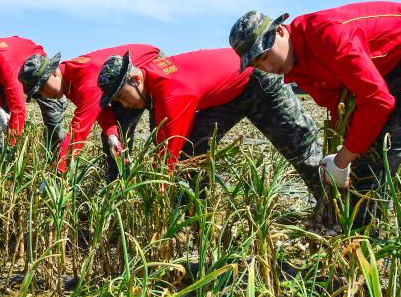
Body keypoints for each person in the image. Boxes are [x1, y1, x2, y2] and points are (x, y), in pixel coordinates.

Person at [229, 1, 401, 225]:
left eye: (265, 56)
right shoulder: (298, 67)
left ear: (280, 31)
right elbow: (343, 111)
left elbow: (377, 101)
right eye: (258, 65)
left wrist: (341, 161)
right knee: (363, 158)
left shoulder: (327, 35)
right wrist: (343, 156)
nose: (268, 68)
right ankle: (362, 233)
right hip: (388, 69)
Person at [96, 48, 322, 193]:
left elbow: (166, 157)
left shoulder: (171, 92)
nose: (125, 105)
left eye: (123, 97)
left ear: (136, 78)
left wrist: (154, 191)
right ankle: (195, 210)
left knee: (301, 147)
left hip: (256, 80)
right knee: (191, 151)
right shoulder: (152, 84)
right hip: (224, 96)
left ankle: (336, 206)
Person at [18, 44, 162, 180]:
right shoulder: (68, 79)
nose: (44, 95)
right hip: (127, 82)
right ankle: (117, 181)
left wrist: (56, 172)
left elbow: (78, 131)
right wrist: (112, 133)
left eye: (42, 88)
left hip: (150, 67)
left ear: (54, 72)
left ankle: (127, 182)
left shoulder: (85, 79)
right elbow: (100, 109)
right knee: (114, 136)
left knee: (161, 134)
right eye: (38, 94)